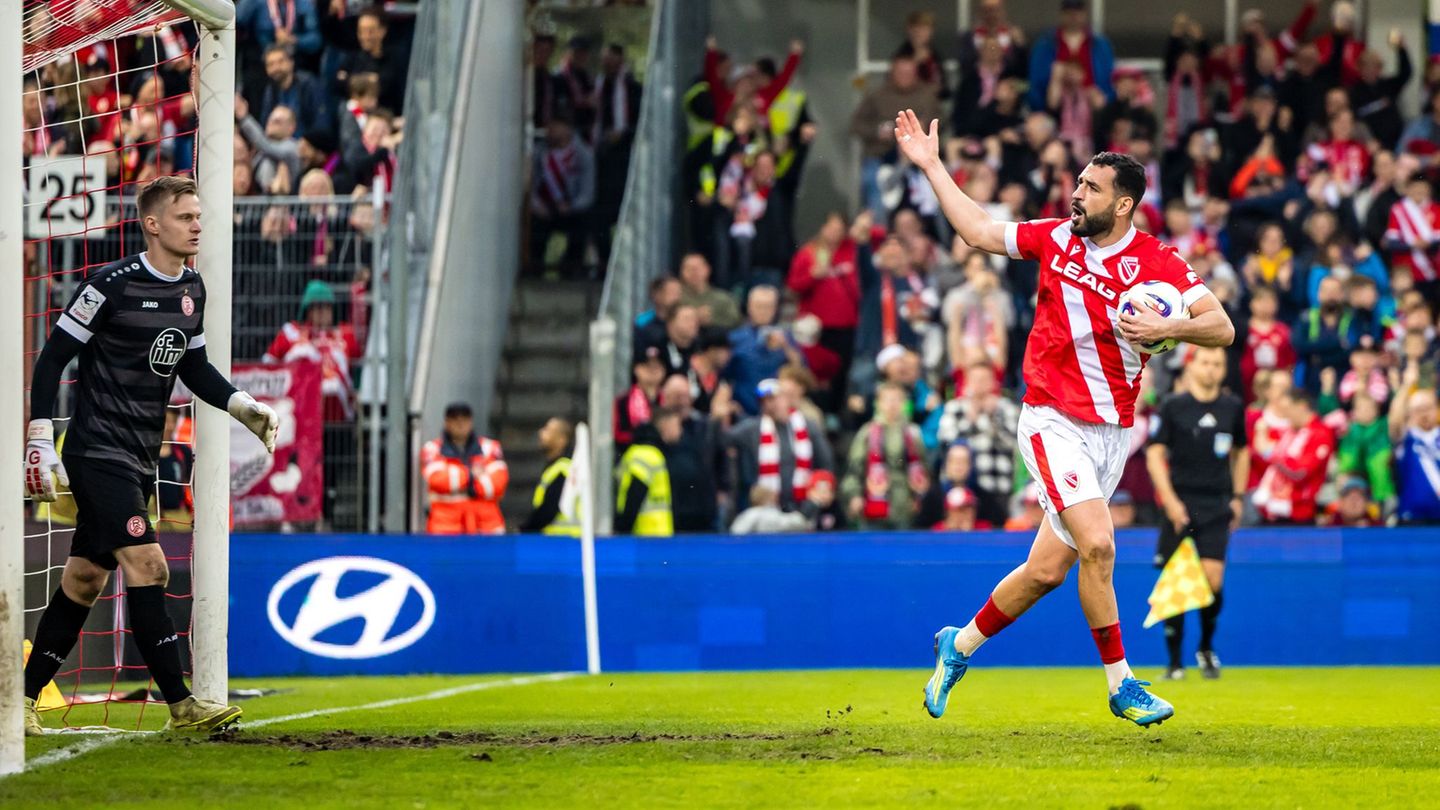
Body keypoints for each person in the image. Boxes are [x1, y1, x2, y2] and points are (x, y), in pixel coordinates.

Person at [896, 109, 1234, 726]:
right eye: (1077, 184)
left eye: (1091, 188)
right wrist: (931, 166)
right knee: (1100, 545)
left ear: (1125, 204)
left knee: (1047, 572)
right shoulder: (1055, 238)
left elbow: (1222, 326)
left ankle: (958, 645)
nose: (1076, 195)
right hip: (1051, 420)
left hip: (1112, 435)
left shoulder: (1158, 263)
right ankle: (1121, 684)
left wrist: (1170, 327)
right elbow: (976, 229)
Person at [22, 176, 279, 736]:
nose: (197, 225)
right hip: (96, 452)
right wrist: (40, 434)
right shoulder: (109, 286)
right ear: (154, 223)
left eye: (198, 216)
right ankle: (182, 707)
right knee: (151, 564)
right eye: (186, 216)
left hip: (139, 457)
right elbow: (52, 360)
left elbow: (193, 365)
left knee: (85, 578)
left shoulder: (193, 289)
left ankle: (15, 699)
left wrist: (241, 404)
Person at [1145, 346, 1249, 681]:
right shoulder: (1175, 406)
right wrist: (1170, 501)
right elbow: (1155, 454)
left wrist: (1237, 496)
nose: (1211, 369)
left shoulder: (1232, 407)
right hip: (1181, 503)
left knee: (1212, 580)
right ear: (1191, 366)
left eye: (1217, 364)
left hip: (1216, 503)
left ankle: (1205, 646)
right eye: (1205, 362)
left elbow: (1242, 451)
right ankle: (1174, 663)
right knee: (1175, 581)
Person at [725, 378, 833, 513]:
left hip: (803, 508)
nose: (770, 404)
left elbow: (825, 463)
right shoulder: (752, 429)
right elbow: (724, 439)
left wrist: (820, 489)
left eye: (774, 398)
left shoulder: (808, 427)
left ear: (786, 399)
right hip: (764, 509)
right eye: (764, 401)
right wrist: (721, 417)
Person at [842, 382, 929, 530]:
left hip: (904, 505)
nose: (892, 405)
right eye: (887, 400)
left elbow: (923, 469)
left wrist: (920, 497)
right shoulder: (868, 432)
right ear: (879, 404)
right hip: (873, 501)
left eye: (897, 400)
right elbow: (854, 468)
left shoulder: (912, 433)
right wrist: (854, 495)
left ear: (904, 403)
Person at [419, 402, 508, 535]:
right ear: (447, 422)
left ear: (471, 421)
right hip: (445, 531)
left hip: (487, 530)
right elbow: (438, 480)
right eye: (455, 419)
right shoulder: (432, 449)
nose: (460, 424)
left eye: (465, 419)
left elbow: (498, 483)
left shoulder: (490, 447)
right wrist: (472, 475)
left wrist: (456, 476)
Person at [1253, 388, 1335, 524]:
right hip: (1272, 511)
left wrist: (1272, 453)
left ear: (1302, 406)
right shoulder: (1289, 432)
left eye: (1287, 409)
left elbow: (1300, 471)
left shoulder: (1320, 433)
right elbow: (1261, 452)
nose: (1285, 415)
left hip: (1298, 515)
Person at [614, 409, 679, 537]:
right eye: (677, 424)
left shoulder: (646, 453)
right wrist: (624, 527)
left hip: (647, 533)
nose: (680, 430)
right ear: (665, 425)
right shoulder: (648, 454)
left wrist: (622, 527)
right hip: (649, 534)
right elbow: (636, 493)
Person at [1389, 377, 1440, 523]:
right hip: (1412, 518)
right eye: (1418, 409)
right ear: (1410, 412)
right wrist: (1406, 386)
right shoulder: (1406, 437)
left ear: (1437, 408)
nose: (1424, 413)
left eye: (1428, 407)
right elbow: (1395, 420)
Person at [519, 417, 580, 536]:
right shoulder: (556, 467)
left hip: (562, 542)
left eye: (548, 430)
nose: (541, 433)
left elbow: (549, 509)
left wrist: (526, 529)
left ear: (562, 440)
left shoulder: (563, 469)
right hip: (559, 541)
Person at [731, 483, 812, 534]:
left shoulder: (746, 514)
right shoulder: (768, 513)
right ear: (766, 497)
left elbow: (735, 532)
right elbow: (791, 523)